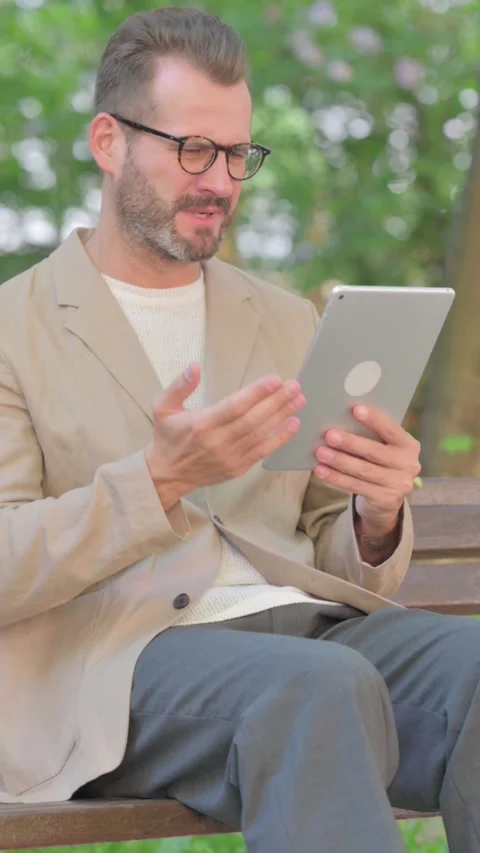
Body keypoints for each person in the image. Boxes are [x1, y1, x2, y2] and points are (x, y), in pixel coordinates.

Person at [0, 7, 478, 852]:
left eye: (236, 154)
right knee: (317, 686)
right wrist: (158, 481)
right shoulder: (15, 328)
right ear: (108, 142)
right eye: (193, 149)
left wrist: (374, 513)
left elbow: (329, 538)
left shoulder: (287, 321)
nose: (220, 180)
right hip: (117, 660)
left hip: (306, 630)